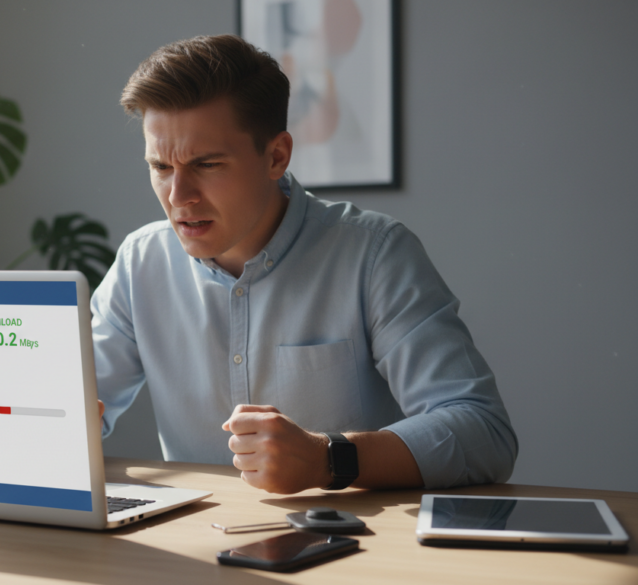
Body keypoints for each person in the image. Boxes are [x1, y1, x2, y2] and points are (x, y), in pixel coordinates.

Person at [91, 34, 517, 494]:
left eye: (207, 164)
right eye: (161, 168)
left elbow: (484, 433)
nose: (179, 197)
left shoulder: (374, 254)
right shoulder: (140, 264)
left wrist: (326, 458)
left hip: (351, 550)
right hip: (194, 549)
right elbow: (72, 409)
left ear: (276, 156)